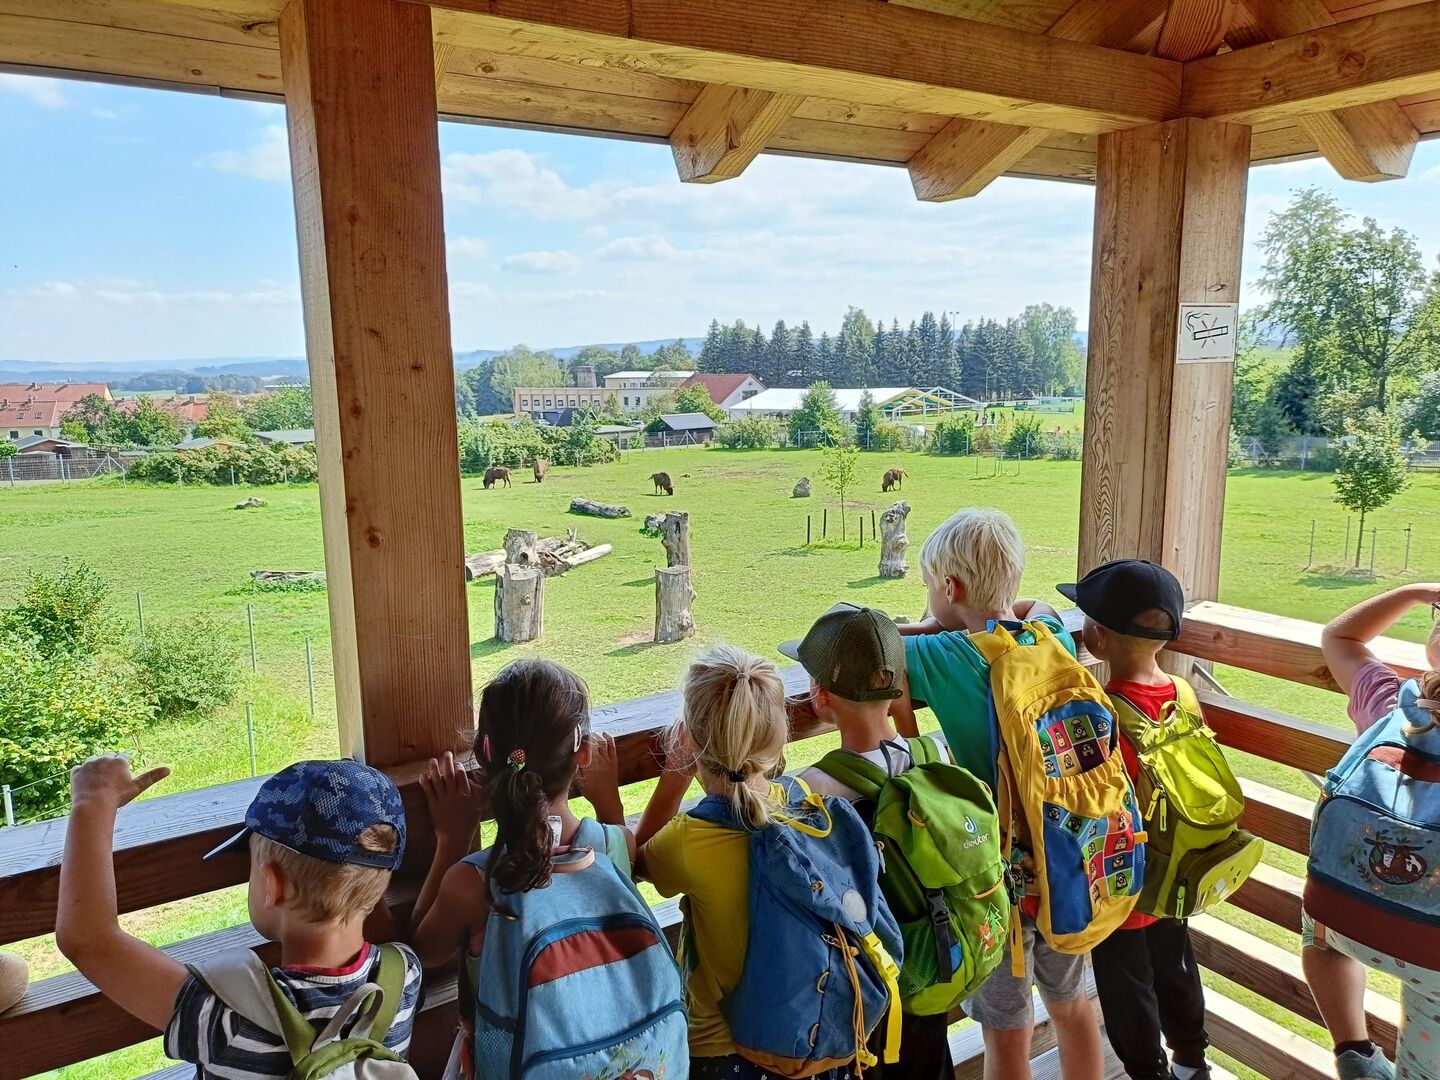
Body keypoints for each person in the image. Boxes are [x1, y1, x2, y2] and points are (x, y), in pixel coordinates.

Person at [893, 507, 1103, 1080]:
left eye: (930, 590)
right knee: (1073, 1006)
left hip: (996, 879)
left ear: (950, 588)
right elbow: (1036, 607)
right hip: (1066, 863)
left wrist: (925, 628)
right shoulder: (1051, 638)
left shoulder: (940, 655)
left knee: (1006, 1033)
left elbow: (868, 638)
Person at [56, 755, 421, 1078]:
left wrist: (93, 799)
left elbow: (87, 939)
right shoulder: (403, 975)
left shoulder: (225, 1019)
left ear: (271, 885)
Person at [410, 658, 681, 1079]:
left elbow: (423, 952)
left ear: (484, 756)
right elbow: (615, 876)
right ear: (584, 753)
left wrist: (452, 840)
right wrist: (608, 801)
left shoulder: (473, 883)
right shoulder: (615, 844)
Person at [622, 643, 871, 1079]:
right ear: (777, 738)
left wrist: (674, 776)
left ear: (691, 738)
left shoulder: (688, 841)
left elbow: (631, 864)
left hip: (726, 1051)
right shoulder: (803, 802)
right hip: (817, 1038)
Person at [784, 602, 958, 1079]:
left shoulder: (814, 791)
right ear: (898, 685)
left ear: (820, 697)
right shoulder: (934, 755)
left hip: (867, 977)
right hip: (933, 952)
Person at [1059, 560, 1212, 1080]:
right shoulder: (1182, 694)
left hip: (1123, 882)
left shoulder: (1102, 712)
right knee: (1176, 967)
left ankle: (1149, 1072)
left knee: (1127, 988)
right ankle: (1192, 1061)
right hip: (1174, 869)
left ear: (1097, 637)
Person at [1316, 584, 1440, 1080]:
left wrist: (1413, 593)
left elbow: (1339, 637)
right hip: (1433, 957)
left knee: (1326, 892)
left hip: (1349, 925)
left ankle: (1354, 1050)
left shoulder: (1395, 708)